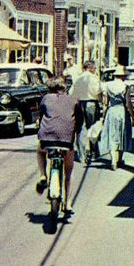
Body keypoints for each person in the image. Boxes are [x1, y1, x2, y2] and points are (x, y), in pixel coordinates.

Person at [35, 77, 82, 214]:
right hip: (66, 141)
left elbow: (41, 115)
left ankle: (43, 175)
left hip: (47, 139)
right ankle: (68, 203)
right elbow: (79, 120)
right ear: (64, 88)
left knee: (40, 151)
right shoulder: (74, 100)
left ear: (49, 88)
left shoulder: (46, 99)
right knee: (68, 172)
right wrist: (75, 132)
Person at [99, 65, 133, 170]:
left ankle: (113, 160)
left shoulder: (108, 85)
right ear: (123, 76)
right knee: (122, 134)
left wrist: (104, 115)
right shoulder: (125, 86)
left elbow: (105, 102)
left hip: (112, 110)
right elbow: (128, 103)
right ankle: (119, 159)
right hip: (122, 111)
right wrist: (132, 116)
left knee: (112, 135)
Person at [69, 60, 102, 163]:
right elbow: (99, 92)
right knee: (92, 128)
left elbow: (71, 93)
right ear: (91, 68)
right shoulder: (94, 78)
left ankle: (81, 155)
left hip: (79, 104)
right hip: (91, 103)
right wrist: (101, 104)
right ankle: (93, 153)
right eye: (94, 68)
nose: (94, 70)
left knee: (80, 128)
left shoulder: (78, 79)